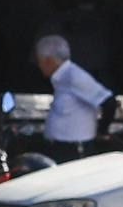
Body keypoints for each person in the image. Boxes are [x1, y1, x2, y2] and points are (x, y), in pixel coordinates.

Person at [35, 35, 117, 163]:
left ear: (49, 60)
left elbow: (109, 102)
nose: (39, 66)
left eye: (39, 61)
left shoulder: (74, 76)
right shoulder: (60, 78)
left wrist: (102, 131)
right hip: (60, 147)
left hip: (75, 149)